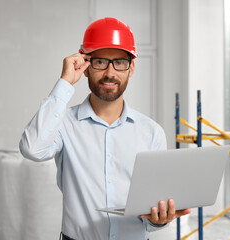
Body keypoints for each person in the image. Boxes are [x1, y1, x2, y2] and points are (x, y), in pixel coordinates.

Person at [19, 17, 191, 240]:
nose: (110, 73)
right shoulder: (63, 124)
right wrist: (65, 82)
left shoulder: (152, 132)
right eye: (100, 62)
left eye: (120, 62)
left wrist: (157, 221)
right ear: (85, 66)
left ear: (131, 69)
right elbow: (32, 149)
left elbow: (151, 213)